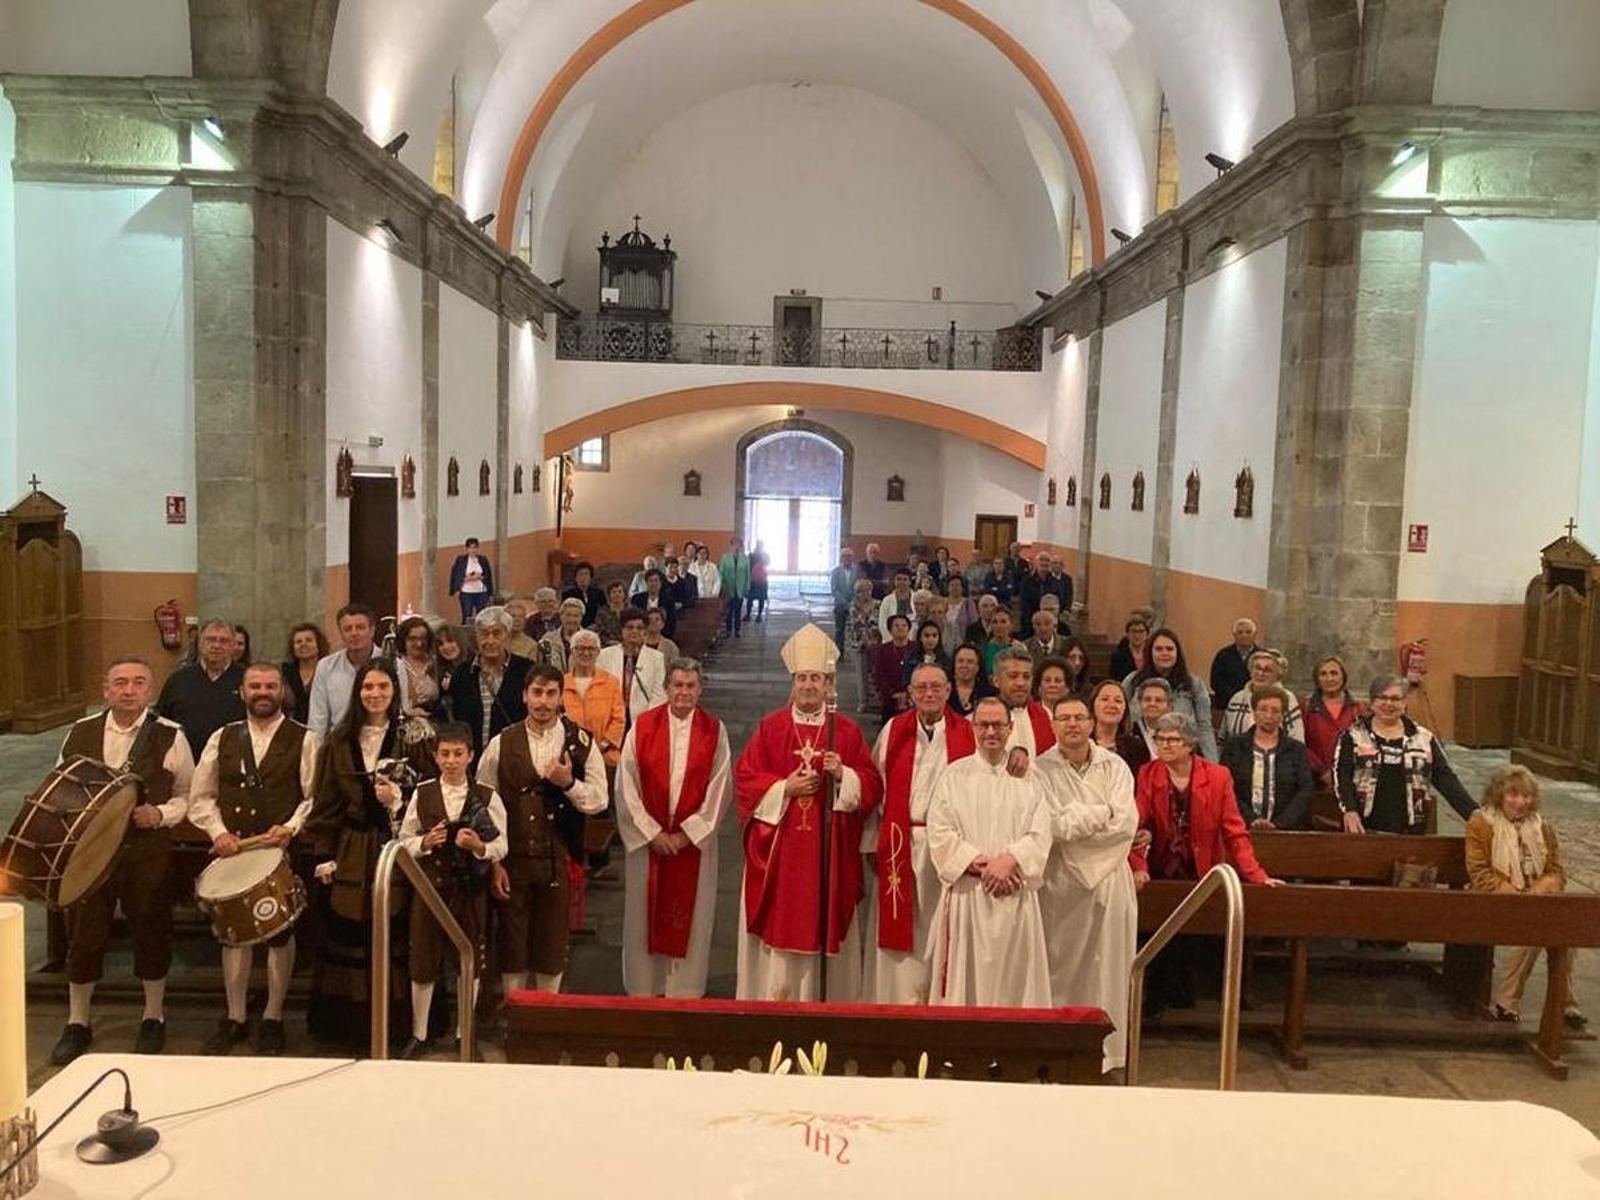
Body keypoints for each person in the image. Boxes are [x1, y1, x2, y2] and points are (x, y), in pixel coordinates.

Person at [48, 658, 196, 1065]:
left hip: (145, 849)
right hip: (89, 854)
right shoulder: (80, 733)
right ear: (106, 690)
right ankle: (77, 1022)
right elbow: (57, 789)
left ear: (149, 691)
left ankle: (153, 1016)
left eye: (138, 683)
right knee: (83, 932)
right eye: (120, 683)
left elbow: (188, 793)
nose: (129, 690)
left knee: (152, 928)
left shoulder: (170, 736)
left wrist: (160, 815)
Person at [734, 623, 883, 1001]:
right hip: (783, 855)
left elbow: (871, 784)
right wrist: (785, 788)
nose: (809, 686)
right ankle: (778, 1003)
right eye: (802, 678)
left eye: (816, 678)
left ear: (828, 683)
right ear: (793, 682)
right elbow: (747, 780)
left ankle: (826, 1005)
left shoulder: (845, 732)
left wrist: (843, 774)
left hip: (828, 855)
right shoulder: (770, 729)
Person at [187, 662, 320, 1056]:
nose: (263, 692)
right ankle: (235, 1017)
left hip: (278, 852)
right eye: (255, 686)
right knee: (235, 935)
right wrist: (218, 833)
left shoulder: (305, 739)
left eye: (270, 686)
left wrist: (292, 827)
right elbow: (202, 797)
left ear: (283, 691)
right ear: (242, 692)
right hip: (234, 851)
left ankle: (274, 1017)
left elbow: (313, 797)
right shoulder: (222, 738)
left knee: (280, 934)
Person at [304, 659, 433, 1049]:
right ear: (358, 692)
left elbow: (429, 794)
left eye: (382, 687)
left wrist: (398, 798)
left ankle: (396, 1027)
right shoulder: (339, 740)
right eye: (367, 687)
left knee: (395, 933)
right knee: (348, 931)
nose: (374, 694)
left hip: (396, 847)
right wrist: (322, 853)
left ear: (394, 692)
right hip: (351, 847)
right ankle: (349, 1025)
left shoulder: (413, 737)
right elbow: (325, 802)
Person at [1129, 712, 1281, 1018]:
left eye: (1173, 740)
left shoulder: (1218, 775)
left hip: (1200, 866)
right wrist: (1137, 865)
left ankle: (1186, 994)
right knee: (1158, 924)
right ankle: (1153, 1000)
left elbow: (1234, 830)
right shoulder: (1148, 773)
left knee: (1196, 929)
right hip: (1160, 865)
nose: (1165, 746)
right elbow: (1134, 826)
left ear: (1189, 745)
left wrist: (1256, 874)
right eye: (1160, 739)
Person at [476, 664, 609, 994]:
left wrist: (569, 784)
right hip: (511, 861)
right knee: (511, 942)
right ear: (524, 696)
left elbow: (599, 801)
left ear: (560, 697)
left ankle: (548, 1017)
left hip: (558, 857)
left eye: (551, 693)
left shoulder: (580, 742)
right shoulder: (500, 744)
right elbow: (480, 806)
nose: (543, 701)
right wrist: (493, 863)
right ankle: (516, 1018)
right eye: (536, 692)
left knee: (551, 941)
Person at [615, 658, 732, 998]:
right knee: (641, 917)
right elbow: (627, 784)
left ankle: (684, 989)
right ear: (666, 688)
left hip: (691, 847)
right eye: (678, 685)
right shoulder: (643, 725)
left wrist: (686, 835)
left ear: (700, 689)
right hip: (649, 844)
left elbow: (720, 787)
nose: (684, 692)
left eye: (690, 686)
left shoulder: (714, 730)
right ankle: (644, 987)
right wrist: (652, 833)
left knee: (691, 917)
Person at [1034, 695, 1137, 1071]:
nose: (1073, 724)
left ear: (1092, 723)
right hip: (1060, 885)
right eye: (1064, 718)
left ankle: (1108, 1054)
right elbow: (1049, 825)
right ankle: (1058, 1048)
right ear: (1054, 724)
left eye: (1080, 717)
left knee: (1109, 967)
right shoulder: (1038, 769)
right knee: (1059, 968)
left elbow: (1124, 824)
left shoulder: (1116, 767)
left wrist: (1076, 819)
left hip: (1110, 880)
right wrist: (1097, 813)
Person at [927, 697, 1052, 1008]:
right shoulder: (954, 776)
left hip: (1015, 894)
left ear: (1011, 730)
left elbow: (1041, 831)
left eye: (998, 725)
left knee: (1015, 980)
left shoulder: (1030, 778)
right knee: (965, 982)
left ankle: (1013, 1052)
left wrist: (1009, 861)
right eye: (983, 725)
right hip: (971, 892)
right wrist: (985, 867)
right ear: (973, 728)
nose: (991, 731)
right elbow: (940, 831)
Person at [397, 722, 506, 1059]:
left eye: (458, 754)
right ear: (435, 756)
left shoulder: (486, 795)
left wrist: (479, 847)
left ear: (471, 756)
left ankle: (464, 1032)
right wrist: (424, 842)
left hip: (470, 890)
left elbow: (502, 844)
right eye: (445, 754)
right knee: (423, 959)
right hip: (430, 888)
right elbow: (403, 840)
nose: (451, 760)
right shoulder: (423, 792)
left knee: (468, 959)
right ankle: (420, 1033)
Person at [869, 662, 975, 1003]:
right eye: (921, 689)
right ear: (911, 694)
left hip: (951, 846)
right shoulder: (893, 731)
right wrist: (873, 842)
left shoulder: (968, 732)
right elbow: (876, 787)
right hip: (902, 840)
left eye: (935, 687)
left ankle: (943, 1001)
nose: (928, 694)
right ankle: (898, 1001)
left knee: (943, 926)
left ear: (948, 690)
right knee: (904, 926)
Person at [1465, 765, 1585, 1027]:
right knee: (1535, 926)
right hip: (1494, 900)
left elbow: (1556, 871)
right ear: (1500, 795)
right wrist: (1517, 894)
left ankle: (1559, 1002)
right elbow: (1479, 874)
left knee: (1564, 927)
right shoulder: (1481, 824)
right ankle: (1514, 1001)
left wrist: (1541, 888)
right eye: (1514, 795)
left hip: (1535, 900)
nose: (1521, 802)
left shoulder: (1543, 828)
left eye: (1527, 796)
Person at [1334, 675, 1475, 834]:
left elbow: (1445, 779)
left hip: (1410, 831)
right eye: (1383, 698)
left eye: (1395, 698)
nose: (1389, 704)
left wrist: (1474, 814)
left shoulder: (1424, 739)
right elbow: (1342, 777)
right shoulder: (1352, 736)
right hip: (1362, 829)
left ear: (1404, 702)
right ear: (1372, 702)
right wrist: (1350, 811)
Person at [1218, 685, 1314, 831]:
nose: (1269, 716)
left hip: (1287, 831)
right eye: (1263, 709)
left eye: (1275, 711)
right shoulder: (1235, 746)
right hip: (1240, 827)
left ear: (1282, 715)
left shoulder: (1296, 750)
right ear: (1254, 712)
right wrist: (1251, 819)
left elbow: (1305, 790)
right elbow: (1226, 788)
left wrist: (1279, 824)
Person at [450, 606, 535, 758]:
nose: (490, 640)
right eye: (484, 634)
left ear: (508, 636)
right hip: (471, 762)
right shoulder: (462, 674)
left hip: (513, 759)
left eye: (496, 633)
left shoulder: (527, 671)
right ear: (476, 637)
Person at [157, 616, 246, 759]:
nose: (216, 645)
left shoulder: (247, 680)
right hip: (186, 763)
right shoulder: (178, 680)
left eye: (223, 641)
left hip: (234, 765)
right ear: (200, 643)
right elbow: (161, 725)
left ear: (233, 645)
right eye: (210, 639)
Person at [1123, 628, 1217, 759]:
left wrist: (1212, 762)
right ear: (1150, 652)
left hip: (1183, 752)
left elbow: (1204, 726)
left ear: (1177, 653)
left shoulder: (1193, 684)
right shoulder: (1132, 681)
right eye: (1159, 649)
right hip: (1140, 752)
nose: (1164, 653)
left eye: (1169, 649)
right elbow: (1122, 716)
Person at [306, 603, 377, 735]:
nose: (354, 633)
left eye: (360, 627)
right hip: (339, 745)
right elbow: (317, 719)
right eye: (348, 629)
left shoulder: (393, 664)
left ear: (372, 631)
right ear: (341, 633)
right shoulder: (326, 666)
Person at [562, 630, 626, 768]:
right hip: (570, 760)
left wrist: (602, 746)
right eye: (580, 648)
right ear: (572, 651)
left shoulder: (611, 682)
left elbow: (619, 720)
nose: (586, 653)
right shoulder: (561, 684)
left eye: (591, 649)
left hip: (605, 758)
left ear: (598, 652)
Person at [598, 608, 667, 727]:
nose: (634, 631)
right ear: (622, 630)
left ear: (645, 631)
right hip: (610, 719)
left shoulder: (656, 658)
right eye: (630, 627)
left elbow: (659, 696)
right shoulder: (605, 655)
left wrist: (647, 721)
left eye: (639, 628)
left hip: (644, 720)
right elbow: (599, 690)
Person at [1302, 654, 1364, 788]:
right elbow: (1299, 743)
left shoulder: (1358, 708)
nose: (1329, 678)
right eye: (1323, 674)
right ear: (1317, 679)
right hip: (1314, 780)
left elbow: (1363, 744)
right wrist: (1322, 771)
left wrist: (1344, 772)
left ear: (1343, 676)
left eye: (1334, 673)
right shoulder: (1306, 707)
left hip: (1351, 780)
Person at [1219, 649, 1304, 742]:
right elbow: (1223, 737)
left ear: (1278, 675)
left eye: (1267, 670)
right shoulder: (1237, 698)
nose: (1260, 673)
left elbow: (1297, 739)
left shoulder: (1287, 698)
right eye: (1257, 668)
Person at [991, 646, 1056, 762]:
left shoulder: (1047, 717)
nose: (1021, 683)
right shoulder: (980, 721)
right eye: (1013, 676)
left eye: (1026, 677)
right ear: (996, 681)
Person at [1088, 678, 1149, 771]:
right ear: (1093, 705)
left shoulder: (1136, 748)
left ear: (1125, 709)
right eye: (1105, 699)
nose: (1112, 705)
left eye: (1118, 701)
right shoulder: (1080, 743)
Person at [843, 577, 881, 713]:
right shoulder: (853, 605)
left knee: (876, 673)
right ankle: (863, 702)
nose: (865, 593)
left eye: (867, 590)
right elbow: (856, 625)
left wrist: (874, 641)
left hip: (877, 643)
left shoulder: (878, 604)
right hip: (858, 644)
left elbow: (880, 623)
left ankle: (877, 701)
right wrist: (866, 641)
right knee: (862, 674)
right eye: (861, 591)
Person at [394, 616, 441, 721]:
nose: (419, 644)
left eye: (423, 638)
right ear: (403, 639)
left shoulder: (436, 663)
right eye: (412, 638)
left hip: (435, 723)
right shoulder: (395, 665)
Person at [282, 622, 327, 725]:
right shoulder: (284, 672)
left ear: (319, 644)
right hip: (289, 731)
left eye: (309, 640)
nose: (303, 644)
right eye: (298, 642)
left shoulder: (328, 670)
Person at [1210, 617, 1261, 708]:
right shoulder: (1223, 655)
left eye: (1248, 632)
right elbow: (1216, 682)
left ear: (1255, 634)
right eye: (1240, 632)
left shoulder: (1262, 656)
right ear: (1234, 635)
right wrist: (1237, 698)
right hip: (1227, 705)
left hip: (1256, 704)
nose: (1244, 635)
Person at [872, 613, 915, 722]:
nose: (900, 628)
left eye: (904, 625)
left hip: (913, 698)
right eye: (896, 626)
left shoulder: (915, 649)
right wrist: (892, 693)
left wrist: (908, 693)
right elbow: (879, 675)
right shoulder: (883, 650)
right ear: (890, 630)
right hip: (890, 699)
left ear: (909, 629)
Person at [1018, 550, 1072, 629]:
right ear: (1036, 563)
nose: (1044, 563)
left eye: (1047, 560)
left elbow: (1061, 602)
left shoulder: (1055, 582)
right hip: (1031, 622)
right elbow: (1024, 605)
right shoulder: (1026, 582)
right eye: (1041, 560)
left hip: (1051, 622)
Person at [447, 537, 494, 624]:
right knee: (467, 614)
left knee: (481, 616)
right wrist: (466, 580)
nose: (473, 550)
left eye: (475, 547)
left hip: (481, 591)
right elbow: (456, 574)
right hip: (467, 592)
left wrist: (481, 578)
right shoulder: (461, 560)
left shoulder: (482, 559)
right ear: (467, 549)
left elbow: (488, 575)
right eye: (471, 548)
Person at [900, 619, 951, 691]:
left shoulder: (945, 659)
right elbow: (906, 682)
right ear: (920, 638)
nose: (931, 639)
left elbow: (948, 682)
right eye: (927, 636)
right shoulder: (911, 658)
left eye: (934, 635)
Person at [947, 643, 995, 719]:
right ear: (954, 665)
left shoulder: (989, 693)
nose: (964, 665)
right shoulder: (943, 690)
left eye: (970, 662)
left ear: (977, 667)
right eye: (960, 661)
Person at [630, 567, 678, 638]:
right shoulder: (637, 599)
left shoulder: (668, 600)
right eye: (650, 581)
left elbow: (671, 623)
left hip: (662, 637)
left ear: (660, 583)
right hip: (640, 636)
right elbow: (633, 621)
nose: (653, 584)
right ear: (646, 583)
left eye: (656, 580)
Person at [1132, 678, 1173, 760]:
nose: (1152, 704)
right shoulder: (1130, 732)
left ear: (1169, 706)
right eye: (1147, 699)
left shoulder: (1180, 734)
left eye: (1158, 700)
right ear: (1140, 703)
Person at [539, 597, 584, 671]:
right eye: (568, 615)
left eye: (576, 616)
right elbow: (541, 665)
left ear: (581, 618)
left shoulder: (589, 639)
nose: (571, 619)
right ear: (561, 616)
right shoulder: (548, 639)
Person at [718, 536, 751, 638]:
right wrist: (721, 586)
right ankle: (728, 630)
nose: (736, 547)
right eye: (734, 544)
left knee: (738, 611)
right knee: (728, 611)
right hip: (728, 588)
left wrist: (747, 587)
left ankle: (737, 630)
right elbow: (721, 573)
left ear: (741, 546)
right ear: (731, 545)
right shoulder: (725, 557)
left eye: (738, 544)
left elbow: (748, 574)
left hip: (740, 589)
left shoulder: (745, 558)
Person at [981, 607, 1026, 678]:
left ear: (1011, 625)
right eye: (995, 622)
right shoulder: (983, 648)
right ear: (990, 626)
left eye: (1003, 622)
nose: (999, 626)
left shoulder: (1019, 648)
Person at [1108, 613, 1152, 681]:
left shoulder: (1152, 654)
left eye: (1141, 631)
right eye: (1133, 631)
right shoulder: (1118, 656)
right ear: (1127, 634)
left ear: (1147, 635)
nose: (1137, 635)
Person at [562, 561, 606, 627]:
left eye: (586, 574)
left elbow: (603, 610)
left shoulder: (599, 593)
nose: (583, 577)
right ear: (575, 578)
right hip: (575, 626)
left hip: (595, 627)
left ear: (590, 577)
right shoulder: (568, 594)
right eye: (580, 574)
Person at [829, 545, 857, 648]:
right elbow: (834, 589)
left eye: (849, 556)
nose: (847, 558)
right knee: (839, 630)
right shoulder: (835, 571)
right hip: (840, 605)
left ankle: (854, 649)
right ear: (841, 558)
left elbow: (859, 587)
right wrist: (845, 602)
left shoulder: (857, 571)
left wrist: (853, 602)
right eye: (845, 556)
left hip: (855, 605)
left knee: (855, 629)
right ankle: (839, 651)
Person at [876, 569, 915, 641]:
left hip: (913, 640)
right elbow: (882, 624)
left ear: (910, 582)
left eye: (905, 579)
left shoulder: (916, 598)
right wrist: (892, 641)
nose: (901, 582)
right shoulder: (887, 600)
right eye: (898, 579)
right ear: (894, 581)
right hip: (891, 641)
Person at [592, 580, 629, 646]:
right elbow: (599, 630)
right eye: (614, 592)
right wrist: (608, 641)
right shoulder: (602, 611)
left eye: (620, 592)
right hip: (607, 645)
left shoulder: (631, 610)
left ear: (624, 594)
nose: (617, 594)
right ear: (609, 595)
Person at [943, 576, 977, 645]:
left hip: (963, 642)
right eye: (952, 585)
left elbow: (974, 623)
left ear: (962, 588)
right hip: (944, 641)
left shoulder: (968, 603)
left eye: (958, 585)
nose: (955, 587)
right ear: (948, 588)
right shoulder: (942, 602)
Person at [745, 540, 770, 623]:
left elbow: (748, 566)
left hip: (753, 580)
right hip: (762, 581)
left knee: (750, 598)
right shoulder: (765, 555)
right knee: (761, 598)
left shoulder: (751, 555)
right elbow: (768, 564)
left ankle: (748, 615)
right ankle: (758, 616)